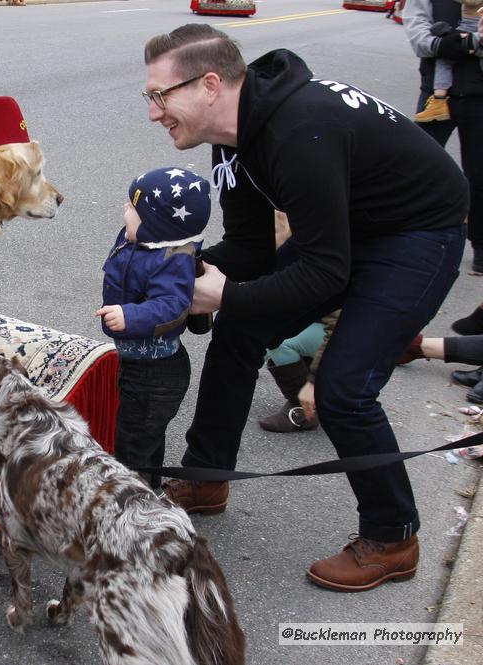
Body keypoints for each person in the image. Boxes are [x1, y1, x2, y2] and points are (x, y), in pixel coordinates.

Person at [144, 23, 468, 592]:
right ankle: (206, 476)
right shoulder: (233, 135)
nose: (154, 113)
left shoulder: (299, 128)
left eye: (159, 96)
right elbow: (250, 246)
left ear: (210, 84)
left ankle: (393, 537)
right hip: (348, 230)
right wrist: (180, 271)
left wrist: (227, 295)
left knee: (344, 389)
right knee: (240, 330)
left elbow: (324, 271)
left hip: (419, 232)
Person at [95, 167, 210, 490]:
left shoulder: (172, 258)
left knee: (134, 445)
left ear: (156, 225)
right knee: (143, 438)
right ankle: (150, 493)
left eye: (133, 209)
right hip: (139, 364)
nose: (125, 211)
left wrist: (130, 316)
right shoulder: (144, 242)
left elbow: (172, 304)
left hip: (156, 373)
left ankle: (133, 511)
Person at [405, 0, 483, 273]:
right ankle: (405, 240)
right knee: (416, 170)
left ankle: (480, 247)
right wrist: (443, 45)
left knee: (480, 175)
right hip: (435, 97)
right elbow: (417, 34)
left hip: (479, 97)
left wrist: (470, 42)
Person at [412, 0, 483, 122]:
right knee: (424, 141)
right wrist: (438, 45)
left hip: (478, 93)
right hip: (433, 87)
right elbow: (416, 21)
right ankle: (439, 100)